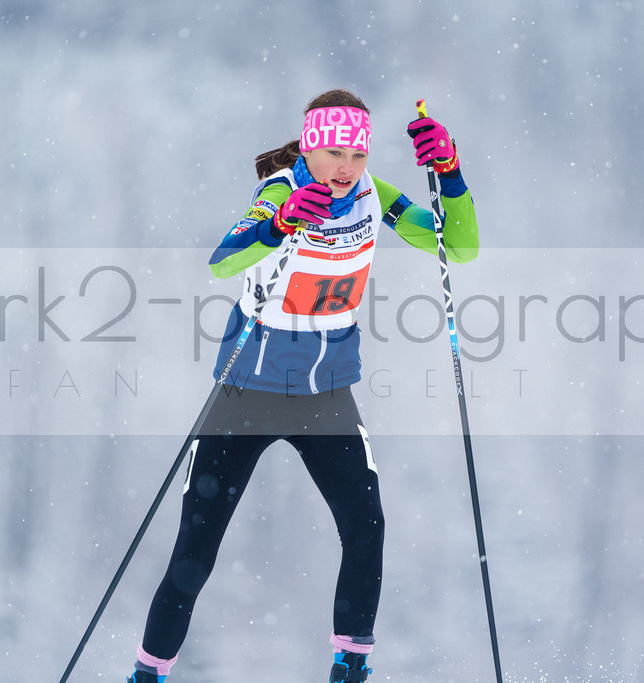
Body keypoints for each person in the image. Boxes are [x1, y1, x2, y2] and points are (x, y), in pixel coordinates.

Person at [127, 89, 479, 683]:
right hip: (247, 396)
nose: (347, 167)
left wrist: (449, 174)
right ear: (311, 147)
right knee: (196, 550)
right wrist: (281, 224)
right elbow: (223, 261)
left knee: (367, 527)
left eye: (358, 155)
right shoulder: (279, 191)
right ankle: (148, 673)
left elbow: (458, 246)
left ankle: (351, 665)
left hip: (325, 396)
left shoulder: (375, 196)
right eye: (335, 152)